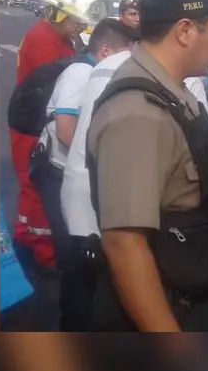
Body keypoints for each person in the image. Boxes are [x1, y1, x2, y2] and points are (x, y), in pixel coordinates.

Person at [86, 0, 208, 332]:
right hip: (172, 307)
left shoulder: (174, 92)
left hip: (193, 283)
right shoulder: (138, 114)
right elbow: (124, 244)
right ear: (184, 30)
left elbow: (179, 200)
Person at [31, 18, 137, 331]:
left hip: (72, 172)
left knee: (86, 262)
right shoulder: (81, 73)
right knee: (76, 263)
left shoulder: (96, 73)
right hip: (58, 173)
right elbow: (67, 130)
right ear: (105, 51)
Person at [11, 0, 97, 274]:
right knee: (34, 187)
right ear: (59, 13)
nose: (79, 27)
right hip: (31, 123)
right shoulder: (43, 39)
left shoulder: (61, 38)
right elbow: (55, 86)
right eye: (75, 20)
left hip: (41, 119)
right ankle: (40, 252)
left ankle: (37, 243)